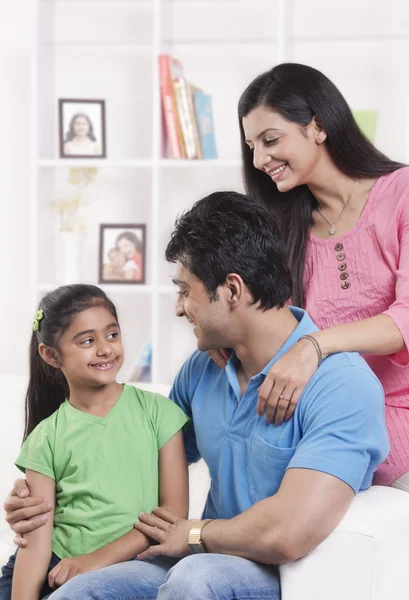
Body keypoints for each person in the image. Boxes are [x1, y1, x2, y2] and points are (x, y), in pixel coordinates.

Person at [4, 192, 389, 600]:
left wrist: (189, 532)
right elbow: (134, 454)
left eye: (185, 291)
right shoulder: (203, 370)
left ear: (232, 291)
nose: (179, 308)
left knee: (195, 579)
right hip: (197, 556)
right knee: (80, 593)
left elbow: (288, 533)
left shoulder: (343, 386)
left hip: (280, 573)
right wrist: (41, 494)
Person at [208, 63, 408, 490]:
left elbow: (405, 319)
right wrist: (221, 331)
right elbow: (266, 317)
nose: (260, 160)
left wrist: (313, 346)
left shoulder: (402, 194)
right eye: (252, 146)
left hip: (393, 420)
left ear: (317, 126)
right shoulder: (284, 226)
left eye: (271, 140)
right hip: (319, 414)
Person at [0, 284, 188, 600]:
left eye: (112, 335)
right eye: (87, 340)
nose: (105, 349)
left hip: (129, 564)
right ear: (50, 355)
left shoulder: (159, 413)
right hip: (57, 566)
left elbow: (173, 513)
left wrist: (94, 561)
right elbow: (36, 544)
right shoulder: (46, 436)